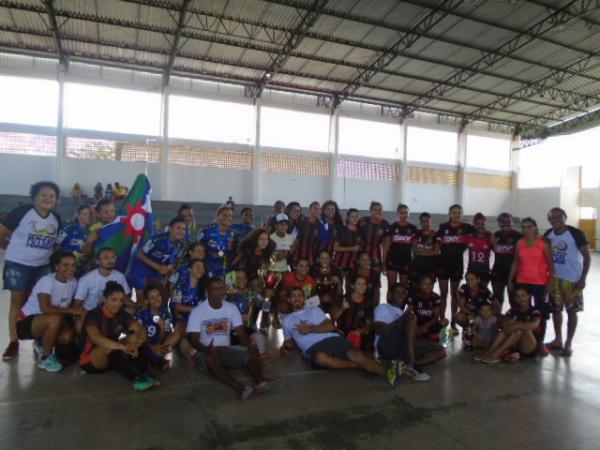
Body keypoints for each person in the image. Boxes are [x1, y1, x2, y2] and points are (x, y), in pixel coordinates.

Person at [186, 278, 283, 401]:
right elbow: (193, 339)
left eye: (222, 288)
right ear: (207, 292)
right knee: (210, 359)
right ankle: (239, 388)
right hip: (204, 352)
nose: (220, 292)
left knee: (250, 351)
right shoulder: (198, 311)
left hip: (226, 351)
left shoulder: (231, 308)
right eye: (216, 289)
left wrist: (250, 346)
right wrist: (207, 349)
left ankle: (261, 382)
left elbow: (241, 333)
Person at [281, 286, 398, 387]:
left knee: (356, 355)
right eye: (294, 296)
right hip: (311, 347)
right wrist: (285, 348)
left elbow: (330, 327)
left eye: (300, 295)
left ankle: (388, 373)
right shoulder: (286, 321)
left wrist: (310, 329)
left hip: (332, 338)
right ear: (289, 300)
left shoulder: (314, 310)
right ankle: (358, 366)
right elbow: (288, 342)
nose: (297, 298)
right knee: (321, 358)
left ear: (304, 298)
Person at [1, 181, 62, 360]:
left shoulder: (56, 218)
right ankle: (14, 341)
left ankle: (39, 338)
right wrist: (14, 251)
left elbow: (55, 244)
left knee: (41, 303)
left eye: (52, 196)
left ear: (57, 200)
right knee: (17, 302)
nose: (48, 198)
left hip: (43, 265)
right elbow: (1, 234)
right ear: (35, 196)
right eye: (44, 194)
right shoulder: (21, 212)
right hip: (18, 264)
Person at [80, 281, 158, 391]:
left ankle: (146, 373)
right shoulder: (93, 314)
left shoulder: (121, 314)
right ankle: (135, 378)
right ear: (104, 299)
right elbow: (97, 339)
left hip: (112, 355)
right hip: (92, 360)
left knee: (134, 338)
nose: (118, 304)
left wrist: (135, 344)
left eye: (121, 300)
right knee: (108, 347)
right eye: (113, 300)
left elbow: (141, 329)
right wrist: (123, 347)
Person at [16, 251, 83, 372]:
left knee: (67, 337)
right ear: (56, 267)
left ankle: (41, 342)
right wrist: (74, 310)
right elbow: (45, 308)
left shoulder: (73, 281)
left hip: (53, 319)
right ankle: (45, 358)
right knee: (55, 319)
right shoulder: (47, 281)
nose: (70, 268)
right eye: (65, 265)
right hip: (27, 321)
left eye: (73, 265)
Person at [374, 283, 446, 381]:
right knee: (411, 317)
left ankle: (406, 366)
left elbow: (416, 336)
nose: (401, 295)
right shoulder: (383, 307)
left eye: (403, 293)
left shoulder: (404, 313)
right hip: (387, 344)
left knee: (441, 351)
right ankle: (412, 363)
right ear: (390, 295)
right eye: (397, 292)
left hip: (403, 347)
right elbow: (380, 330)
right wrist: (406, 317)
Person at [544, 207, 590, 356]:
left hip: (572, 280)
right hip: (554, 279)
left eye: (558, 216)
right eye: (552, 217)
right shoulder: (548, 235)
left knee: (572, 311)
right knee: (556, 310)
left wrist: (583, 278)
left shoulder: (576, 233)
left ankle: (568, 343)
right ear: (548, 219)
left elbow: (587, 257)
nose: (555, 220)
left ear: (565, 217)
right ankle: (558, 339)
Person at [508, 217, 554, 354]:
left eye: (529, 226)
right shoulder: (519, 243)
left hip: (540, 283)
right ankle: (520, 340)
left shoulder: (543, 243)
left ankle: (540, 343)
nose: (527, 229)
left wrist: (550, 283)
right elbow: (516, 262)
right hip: (522, 281)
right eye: (524, 227)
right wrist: (510, 279)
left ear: (535, 227)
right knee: (521, 311)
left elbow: (551, 265)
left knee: (541, 314)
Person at [73, 247, 132, 332]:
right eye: (106, 257)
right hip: (91, 312)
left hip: (112, 311)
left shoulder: (120, 276)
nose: (110, 260)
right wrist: (82, 315)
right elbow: (77, 304)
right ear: (97, 261)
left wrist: (138, 306)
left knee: (131, 310)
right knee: (79, 323)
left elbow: (125, 298)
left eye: (113, 257)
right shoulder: (86, 279)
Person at [130, 216, 187, 303]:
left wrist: (168, 272)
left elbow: (174, 263)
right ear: (170, 229)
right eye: (178, 228)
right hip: (141, 268)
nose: (181, 231)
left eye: (183, 229)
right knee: (141, 297)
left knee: (156, 296)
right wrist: (157, 267)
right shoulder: (157, 239)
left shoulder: (182, 245)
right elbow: (139, 254)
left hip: (157, 271)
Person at [436, 204, 474, 333]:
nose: (456, 215)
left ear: (462, 214)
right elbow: (436, 242)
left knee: (454, 294)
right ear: (449, 214)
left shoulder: (467, 228)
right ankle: (442, 320)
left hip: (457, 264)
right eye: (454, 212)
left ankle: (453, 321)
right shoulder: (443, 227)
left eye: (459, 212)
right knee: (443, 294)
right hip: (442, 264)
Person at [478, 287, 541, 364]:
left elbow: (534, 325)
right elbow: (504, 322)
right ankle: (489, 352)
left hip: (530, 347)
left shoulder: (534, 311)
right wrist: (508, 325)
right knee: (505, 329)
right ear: (514, 298)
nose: (521, 298)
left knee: (519, 329)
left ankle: (496, 354)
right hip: (516, 345)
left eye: (523, 295)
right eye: (518, 296)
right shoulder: (513, 310)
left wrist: (517, 325)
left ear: (529, 296)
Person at [136, 283, 184, 370]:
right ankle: (158, 360)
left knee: (176, 334)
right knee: (143, 348)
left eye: (158, 295)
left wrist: (162, 328)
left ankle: (157, 356)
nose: (156, 299)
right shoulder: (142, 314)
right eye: (152, 297)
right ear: (147, 300)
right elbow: (137, 334)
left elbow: (163, 337)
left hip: (160, 343)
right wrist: (151, 346)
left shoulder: (166, 313)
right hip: (145, 343)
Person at [226, 271, 268, 356]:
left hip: (248, 330)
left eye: (244, 277)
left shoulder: (253, 294)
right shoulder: (227, 295)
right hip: (231, 331)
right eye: (239, 278)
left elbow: (266, 306)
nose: (242, 280)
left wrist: (263, 324)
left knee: (260, 340)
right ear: (234, 280)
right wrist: (228, 297)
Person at [491, 213, 522, 308]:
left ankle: (514, 321)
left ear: (512, 222)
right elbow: (493, 249)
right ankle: (498, 321)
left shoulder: (518, 236)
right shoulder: (496, 235)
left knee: (514, 300)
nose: (505, 223)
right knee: (497, 299)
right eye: (502, 221)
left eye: (508, 221)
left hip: (513, 273)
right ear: (498, 223)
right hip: (498, 271)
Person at [197, 206, 237, 278]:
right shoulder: (206, 231)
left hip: (226, 269)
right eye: (224, 215)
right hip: (207, 268)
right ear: (218, 217)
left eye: (230, 216)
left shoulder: (234, 234)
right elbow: (197, 248)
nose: (227, 217)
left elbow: (233, 252)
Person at [383, 203, 418, 287]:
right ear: (398, 214)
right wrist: (383, 264)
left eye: (406, 212)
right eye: (401, 213)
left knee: (403, 288)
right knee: (391, 287)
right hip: (392, 260)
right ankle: (390, 301)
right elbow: (386, 247)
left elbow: (414, 248)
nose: (404, 215)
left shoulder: (413, 228)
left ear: (408, 214)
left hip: (406, 261)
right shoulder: (392, 227)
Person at [55, 204, 93, 277]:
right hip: (66, 267)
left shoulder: (94, 231)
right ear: (78, 216)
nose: (88, 216)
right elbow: (57, 245)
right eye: (84, 214)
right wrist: (57, 262)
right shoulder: (68, 228)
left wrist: (90, 263)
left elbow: (93, 252)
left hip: (83, 267)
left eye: (90, 214)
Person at [337, 276, 374, 351]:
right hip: (342, 332)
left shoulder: (368, 302)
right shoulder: (344, 299)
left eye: (364, 284)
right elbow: (333, 317)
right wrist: (342, 309)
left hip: (358, 332)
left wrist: (360, 331)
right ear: (352, 286)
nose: (362, 287)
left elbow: (369, 323)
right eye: (359, 284)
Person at [311, 250, 343, 319]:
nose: (325, 260)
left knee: (335, 311)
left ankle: (332, 326)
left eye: (327, 258)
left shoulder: (336, 271)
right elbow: (308, 291)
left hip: (333, 300)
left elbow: (340, 292)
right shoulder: (313, 271)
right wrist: (320, 299)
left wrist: (339, 283)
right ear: (318, 260)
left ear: (330, 259)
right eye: (322, 258)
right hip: (317, 300)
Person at [411, 212, 440, 287]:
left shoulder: (436, 235)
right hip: (417, 266)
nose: (425, 223)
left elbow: (436, 252)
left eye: (427, 221)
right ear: (420, 222)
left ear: (431, 221)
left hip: (431, 266)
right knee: (416, 288)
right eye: (423, 222)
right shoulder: (417, 233)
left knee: (429, 288)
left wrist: (420, 251)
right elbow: (413, 248)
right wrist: (429, 251)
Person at [358, 201, 389, 273]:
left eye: (380, 210)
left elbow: (386, 245)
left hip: (376, 255)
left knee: (375, 278)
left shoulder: (385, 224)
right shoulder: (363, 220)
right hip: (362, 254)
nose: (377, 212)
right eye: (375, 210)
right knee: (361, 276)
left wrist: (384, 263)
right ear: (370, 211)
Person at [465, 213, 493, 285]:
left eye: (482, 224)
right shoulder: (469, 237)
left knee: (482, 293)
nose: (480, 226)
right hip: (472, 270)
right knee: (471, 293)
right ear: (473, 224)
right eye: (477, 224)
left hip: (484, 270)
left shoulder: (490, 237)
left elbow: (498, 252)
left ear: (486, 224)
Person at [333, 208, 361, 278]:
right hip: (340, 263)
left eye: (356, 216)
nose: (355, 218)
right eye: (352, 216)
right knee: (338, 286)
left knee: (350, 287)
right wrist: (351, 248)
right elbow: (335, 248)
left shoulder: (360, 231)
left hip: (353, 265)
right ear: (348, 218)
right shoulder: (342, 230)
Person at [292, 201, 321, 267]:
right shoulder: (302, 221)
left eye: (319, 209)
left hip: (311, 256)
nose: (317, 211)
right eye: (315, 208)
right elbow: (296, 239)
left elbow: (317, 242)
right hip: (298, 254)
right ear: (310, 210)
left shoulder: (319, 224)